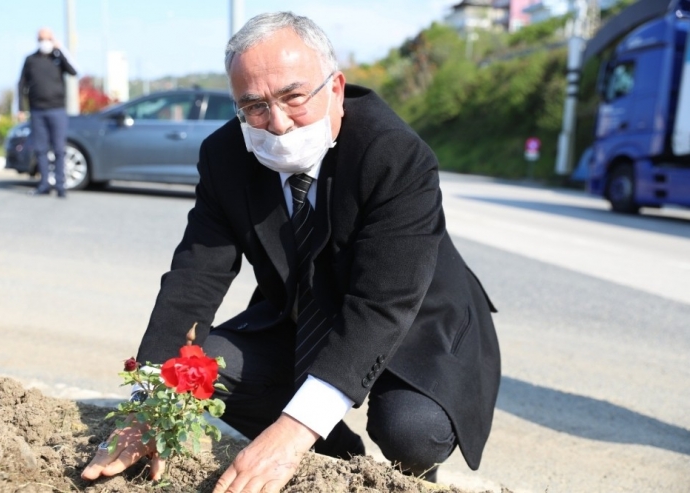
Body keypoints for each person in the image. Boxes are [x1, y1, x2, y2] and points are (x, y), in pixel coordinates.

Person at [82, 12, 500, 492]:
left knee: (410, 430)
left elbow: (381, 305)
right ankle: (333, 456)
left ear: (336, 88)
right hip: (306, 311)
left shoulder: (395, 155)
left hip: (415, 314)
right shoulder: (225, 156)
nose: (277, 124)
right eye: (254, 106)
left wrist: (293, 430)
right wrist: (149, 405)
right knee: (204, 370)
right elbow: (194, 276)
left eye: (293, 97)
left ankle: (413, 483)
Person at [17, 27, 77, 198]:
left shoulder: (57, 58)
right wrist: (21, 108)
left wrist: (60, 50)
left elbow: (73, 71)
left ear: (52, 40)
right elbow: (21, 85)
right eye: (41, 39)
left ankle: (60, 185)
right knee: (40, 149)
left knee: (59, 149)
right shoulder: (30, 60)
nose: (45, 42)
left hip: (57, 110)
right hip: (37, 111)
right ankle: (44, 184)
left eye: (48, 39)